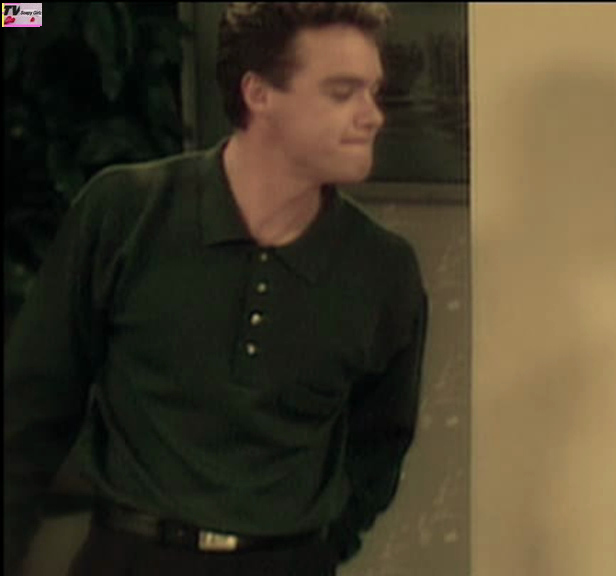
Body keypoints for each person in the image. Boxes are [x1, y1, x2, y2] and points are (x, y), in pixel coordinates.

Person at [3, 3, 428, 575]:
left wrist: (320, 548)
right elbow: (29, 414)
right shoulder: (125, 213)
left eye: (373, 92)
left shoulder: (384, 269)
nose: (372, 116)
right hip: (130, 558)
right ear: (259, 93)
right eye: (342, 92)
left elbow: (380, 444)